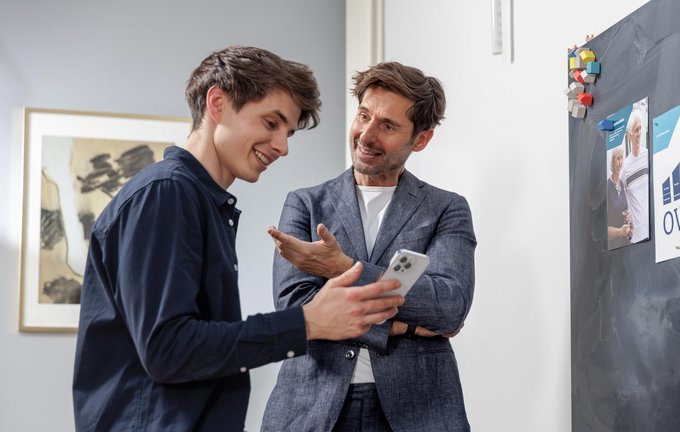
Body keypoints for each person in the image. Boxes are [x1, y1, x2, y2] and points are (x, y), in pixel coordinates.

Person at [72, 46, 405, 432]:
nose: (282, 146)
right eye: (270, 123)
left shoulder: (199, 202)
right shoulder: (166, 194)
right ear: (218, 103)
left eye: (287, 132)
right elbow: (167, 350)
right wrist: (306, 322)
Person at [261, 62, 476, 431]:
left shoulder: (447, 208)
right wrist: (402, 328)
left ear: (421, 139)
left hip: (419, 409)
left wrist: (341, 269)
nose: (366, 135)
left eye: (388, 126)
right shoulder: (305, 204)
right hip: (312, 404)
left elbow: (448, 304)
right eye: (364, 115)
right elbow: (297, 306)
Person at [622, 108, 649, 243]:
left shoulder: (648, 156)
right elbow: (621, 199)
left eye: (640, 129)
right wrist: (627, 215)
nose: (639, 133)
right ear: (630, 134)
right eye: (635, 130)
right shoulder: (625, 167)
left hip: (652, 231)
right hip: (637, 237)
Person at [607, 147, 632, 249]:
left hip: (626, 242)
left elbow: (624, 209)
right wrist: (619, 232)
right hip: (614, 246)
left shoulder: (622, 184)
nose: (620, 162)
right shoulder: (606, 187)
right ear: (612, 162)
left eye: (622, 158)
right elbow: (604, 230)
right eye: (618, 158)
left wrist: (628, 216)